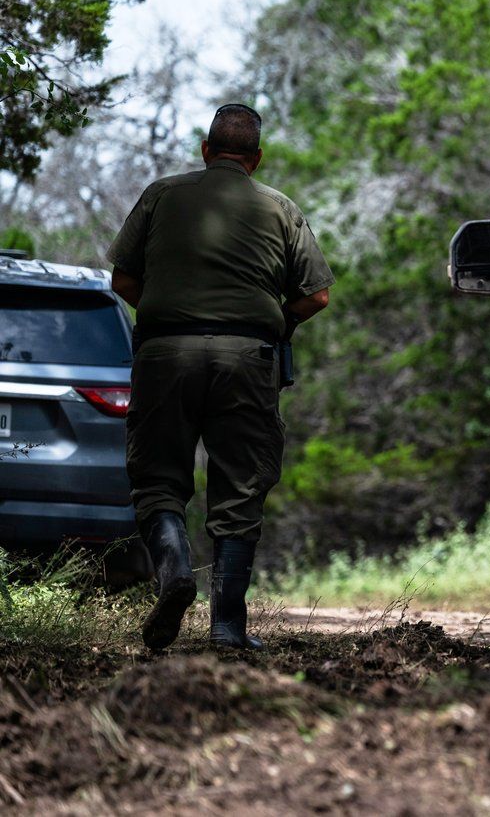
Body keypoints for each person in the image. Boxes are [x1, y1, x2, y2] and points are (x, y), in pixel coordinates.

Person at [107, 104, 334, 651]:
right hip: (246, 359)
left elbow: (122, 279)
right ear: (256, 160)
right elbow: (318, 294)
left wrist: (170, 317)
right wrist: (276, 320)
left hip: (166, 355)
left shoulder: (162, 194)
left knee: (158, 479)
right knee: (240, 488)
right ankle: (228, 627)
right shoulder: (280, 208)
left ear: (206, 151)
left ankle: (175, 573)